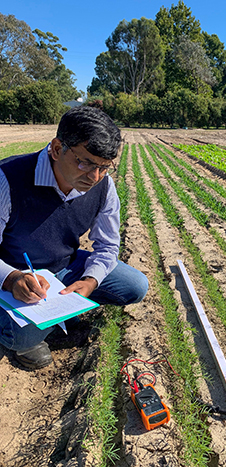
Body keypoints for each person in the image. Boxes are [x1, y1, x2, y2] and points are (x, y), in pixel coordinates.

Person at [0, 106, 148, 370]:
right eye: (85, 163)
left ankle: (57, 313)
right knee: (23, 335)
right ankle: (24, 335)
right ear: (57, 149)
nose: (94, 177)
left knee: (134, 285)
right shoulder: (8, 178)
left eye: (104, 167)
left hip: (64, 266)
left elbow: (108, 245)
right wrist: (12, 279)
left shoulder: (103, 185)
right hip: (14, 277)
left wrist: (90, 281)